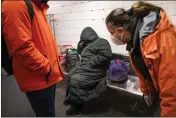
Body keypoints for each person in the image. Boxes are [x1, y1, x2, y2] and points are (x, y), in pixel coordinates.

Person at [105, 1, 176, 117]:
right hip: (157, 91)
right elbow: (141, 71)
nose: (111, 37)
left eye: (111, 33)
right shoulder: (134, 41)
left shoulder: (162, 37)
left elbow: (171, 87)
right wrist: (146, 91)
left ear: (121, 31)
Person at [2, 0, 63, 117]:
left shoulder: (37, 6)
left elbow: (42, 40)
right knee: (46, 114)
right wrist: (47, 68)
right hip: (39, 76)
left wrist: (55, 59)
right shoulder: (14, 4)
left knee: (49, 112)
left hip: (47, 75)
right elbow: (21, 48)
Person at [64, 27, 112, 116]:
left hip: (96, 69)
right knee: (70, 75)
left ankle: (78, 106)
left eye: (84, 38)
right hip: (85, 67)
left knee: (76, 79)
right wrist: (81, 44)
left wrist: (91, 62)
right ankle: (73, 100)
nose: (83, 40)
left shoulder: (102, 42)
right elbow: (79, 52)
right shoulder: (87, 45)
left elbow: (106, 55)